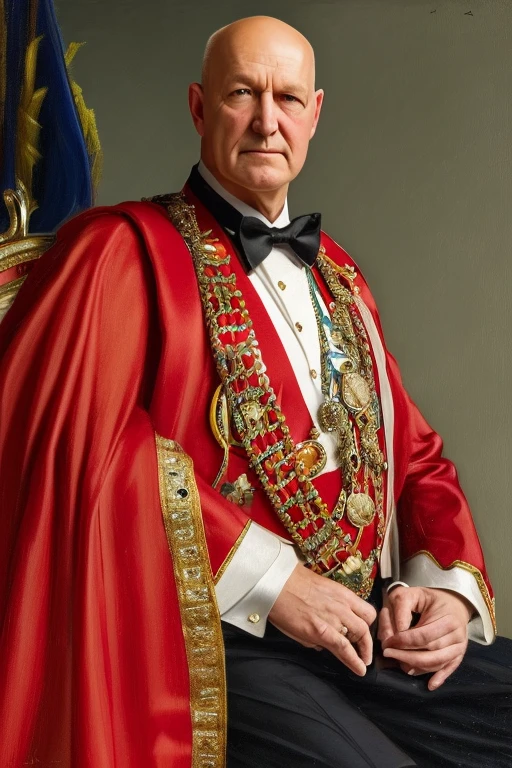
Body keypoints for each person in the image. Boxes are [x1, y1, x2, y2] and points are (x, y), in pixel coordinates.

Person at [0, 14, 510, 768]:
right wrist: (275, 585)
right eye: (244, 93)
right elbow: (91, 452)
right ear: (200, 108)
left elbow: (417, 456)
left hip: (365, 625)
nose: (269, 121)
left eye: (288, 99)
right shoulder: (118, 252)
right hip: (215, 641)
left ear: (315, 114)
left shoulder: (339, 275)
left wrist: (444, 592)